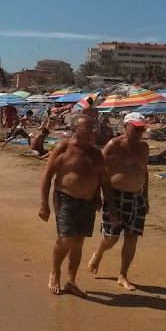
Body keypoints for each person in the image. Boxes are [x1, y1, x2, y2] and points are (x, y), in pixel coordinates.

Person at [39, 116, 115, 296]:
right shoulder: (63, 148)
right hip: (65, 197)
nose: (92, 131)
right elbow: (47, 176)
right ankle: (55, 272)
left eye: (93, 127)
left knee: (78, 242)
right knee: (66, 239)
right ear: (75, 130)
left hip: (88, 202)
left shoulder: (96, 153)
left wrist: (110, 205)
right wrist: (44, 204)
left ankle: (71, 281)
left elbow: (104, 181)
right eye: (87, 128)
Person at [88, 112, 151, 291]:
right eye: (135, 128)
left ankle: (123, 275)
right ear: (125, 126)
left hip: (137, 197)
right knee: (111, 238)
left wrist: (146, 197)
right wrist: (97, 195)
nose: (139, 132)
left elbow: (144, 171)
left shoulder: (144, 147)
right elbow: (99, 169)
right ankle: (99, 252)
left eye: (142, 129)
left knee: (132, 237)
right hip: (115, 195)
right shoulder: (114, 145)